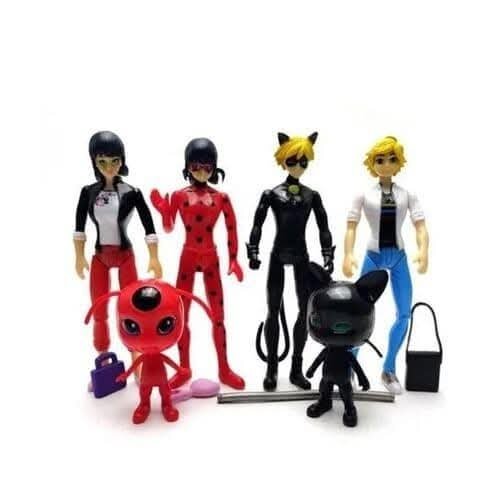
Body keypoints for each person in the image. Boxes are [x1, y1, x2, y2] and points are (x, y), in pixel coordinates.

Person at [150, 138, 245, 390]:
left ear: (214, 168)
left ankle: (224, 369)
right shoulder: (180, 195)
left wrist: (234, 259)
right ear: (187, 167)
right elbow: (169, 227)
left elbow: (232, 228)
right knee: (181, 315)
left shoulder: (221, 197)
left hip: (211, 257)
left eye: (207, 167)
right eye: (195, 167)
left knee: (218, 317)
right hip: (188, 257)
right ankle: (184, 369)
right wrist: (164, 212)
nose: (201, 172)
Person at [247, 132, 334, 391]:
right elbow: (258, 223)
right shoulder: (272, 194)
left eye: (303, 162)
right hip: (278, 253)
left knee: (304, 310)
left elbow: (323, 226)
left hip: (300, 254)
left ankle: (296, 367)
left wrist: (327, 253)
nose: (297, 166)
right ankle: (272, 367)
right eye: (292, 161)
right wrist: (253, 251)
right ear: (283, 160)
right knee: (273, 310)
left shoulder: (311, 195)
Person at [342, 136, 429, 394]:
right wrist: (348, 254)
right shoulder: (364, 195)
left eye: (392, 159)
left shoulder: (407, 195)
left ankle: (388, 369)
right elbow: (351, 226)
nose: (386, 164)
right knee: (358, 310)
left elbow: (420, 226)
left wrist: (424, 250)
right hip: (374, 255)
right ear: (372, 163)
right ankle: (349, 367)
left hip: (399, 256)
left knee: (404, 313)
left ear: (399, 162)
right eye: (380, 160)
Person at [74, 131, 162, 355]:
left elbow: (149, 227)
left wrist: (154, 257)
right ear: (94, 162)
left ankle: (135, 355)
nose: (109, 167)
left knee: (132, 307)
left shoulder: (131, 192)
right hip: (100, 256)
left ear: (122, 160)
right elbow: (79, 228)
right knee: (99, 308)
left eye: (115, 161)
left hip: (124, 256)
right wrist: (79, 256)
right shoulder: (88, 192)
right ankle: (103, 356)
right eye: (102, 162)